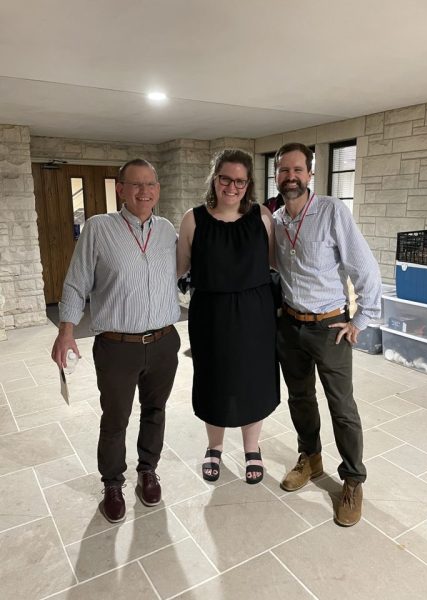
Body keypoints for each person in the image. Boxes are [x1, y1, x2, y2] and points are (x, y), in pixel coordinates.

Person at [51, 158, 181, 523]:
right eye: (135, 184)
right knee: (116, 418)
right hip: (116, 345)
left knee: (155, 411)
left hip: (164, 341)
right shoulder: (98, 228)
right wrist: (66, 332)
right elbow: (77, 282)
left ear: (158, 189)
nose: (144, 191)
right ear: (120, 189)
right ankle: (112, 482)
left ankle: (148, 470)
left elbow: (182, 274)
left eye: (150, 184)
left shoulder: (168, 229)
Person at [272, 142, 381, 526]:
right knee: (300, 398)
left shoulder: (332, 211)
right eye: (284, 170)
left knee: (342, 406)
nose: (290, 177)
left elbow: (365, 270)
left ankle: (352, 479)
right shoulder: (277, 220)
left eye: (297, 170)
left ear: (310, 174)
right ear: (276, 175)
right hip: (289, 325)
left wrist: (361, 320)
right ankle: (311, 459)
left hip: (330, 327)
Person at [177, 149, 280, 484]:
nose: (232, 186)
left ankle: (253, 449)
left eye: (240, 180)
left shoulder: (263, 216)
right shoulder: (193, 220)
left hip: (256, 314)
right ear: (215, 178)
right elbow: (179, 269)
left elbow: (273, 263)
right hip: (211, 315)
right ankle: (215, 447)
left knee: (254, 379)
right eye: (226, 178)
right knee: (215, 380)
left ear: (248, 183)